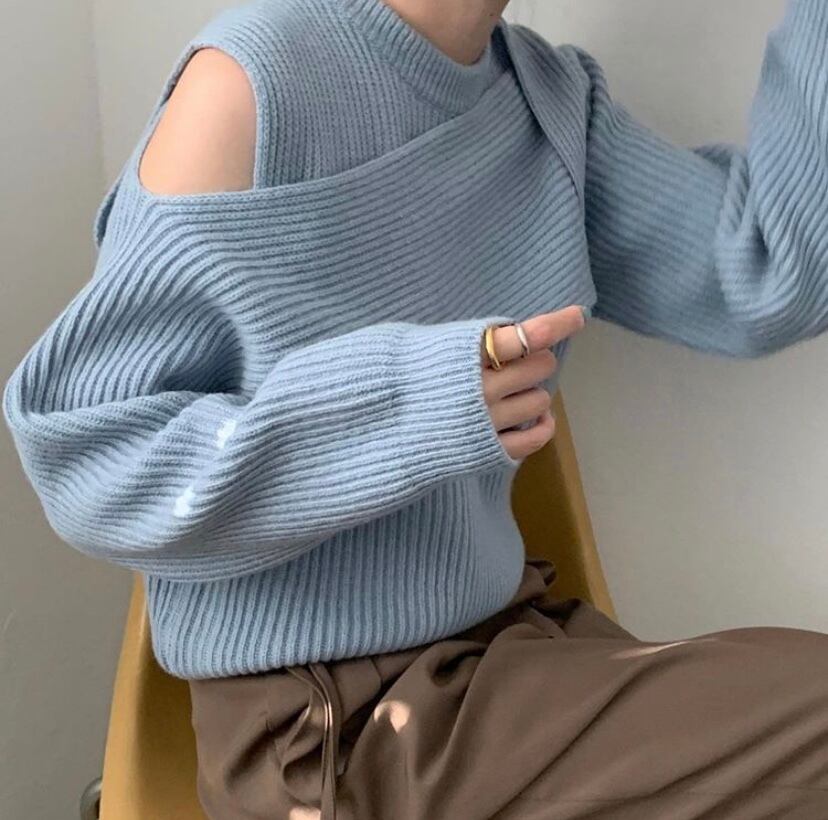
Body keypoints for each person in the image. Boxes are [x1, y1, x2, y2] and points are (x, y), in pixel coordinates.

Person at [4, 0, 828, 816]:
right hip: (330, 733)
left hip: (510, 660)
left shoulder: (544, 100)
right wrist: (409, 401)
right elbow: (87, 463)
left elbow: (767, 272)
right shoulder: (252, 83)